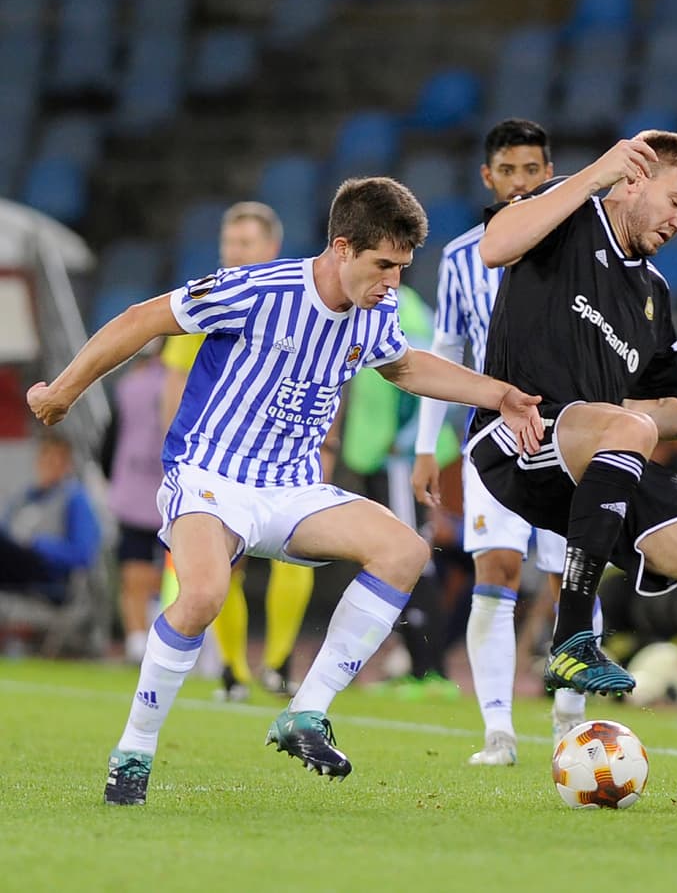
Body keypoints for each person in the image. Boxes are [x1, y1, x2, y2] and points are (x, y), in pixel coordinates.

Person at [28, 177, 545, 805]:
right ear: (341, 247)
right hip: (210, 477)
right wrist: (62, 390)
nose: (392, 283)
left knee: (405, 551)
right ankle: (133, 752)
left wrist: (500, 393)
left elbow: (404, 364)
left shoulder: (377, 309)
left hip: (292, 488)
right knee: (205, 595)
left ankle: (306, 711)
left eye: (403, 269)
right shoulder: (259, 289)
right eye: (383, 265)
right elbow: (142, 320)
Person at [471, 130, 677, 809]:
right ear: (634, 179)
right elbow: (494, 246)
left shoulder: (651, 293)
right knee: (628, 429)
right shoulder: (567, 216)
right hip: (516, 438)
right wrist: (594, 173)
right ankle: (571, 638)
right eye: (676, 202)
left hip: (601, 453)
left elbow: (649, 410)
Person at [412, 119, 588, 765]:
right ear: (487, 178)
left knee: (574, 575)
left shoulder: (578, 248)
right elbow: (446, 353)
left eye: (532, 171)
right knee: (498, 569)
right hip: (492, 441)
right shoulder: (461, 258)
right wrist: (426, 446)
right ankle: (498, 732)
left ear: (550, 173)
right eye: (507, 171)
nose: (520, 183)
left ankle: (572, 727)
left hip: (567, 435)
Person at [160, 201, 320, 700]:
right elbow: (175, 382)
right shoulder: (208, 298)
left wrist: (326, 443)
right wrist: (174, 457)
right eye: (230, 243)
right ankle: (234, 670)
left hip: (284, 457)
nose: (234, 252)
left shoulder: (296, 300)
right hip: (217, 459)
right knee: (224, 562)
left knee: (296, 554)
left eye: (245, 243)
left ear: (271, 248)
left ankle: (277, 663)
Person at [341, 281, 462, 697]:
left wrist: (408, 439)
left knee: (411, 558)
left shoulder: (402, 308)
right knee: (399, 556)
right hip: (380, 453)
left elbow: (424, 375)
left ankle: (430, 673)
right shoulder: (381, 301)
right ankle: (419, 667)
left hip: (397, 456)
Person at [104, 340, 168, 662]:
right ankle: (172, 642)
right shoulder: (184, 385)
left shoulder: (127, 388)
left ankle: (135, 637)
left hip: (131, 490)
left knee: (133, 568)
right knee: (175, 571)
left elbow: (110, 439)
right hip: (174, 492)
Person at [0, 432, 101, 604]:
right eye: (46, 460)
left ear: (67, 466)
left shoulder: (75, 499)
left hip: (48, 577)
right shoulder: (24, 498)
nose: (50, 467)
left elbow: (84, 554)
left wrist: (37, 544)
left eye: (57, 461)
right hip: (13, 568)